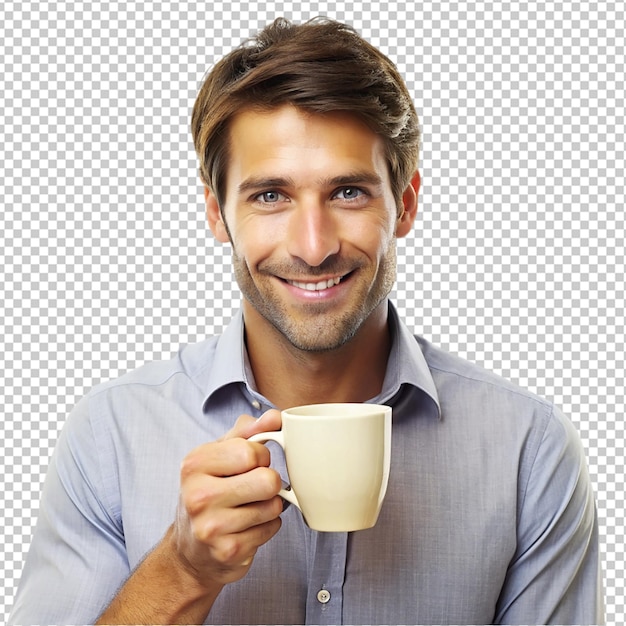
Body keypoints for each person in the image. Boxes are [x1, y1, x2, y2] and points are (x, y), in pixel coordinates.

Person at [9, 17, 604, 625]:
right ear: (217, 214)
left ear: (405, 204)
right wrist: (183, 572)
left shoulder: (529, 449)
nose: (314, 246)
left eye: (348, 192)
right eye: (271, 195)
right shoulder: (111, 434)